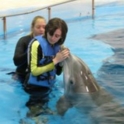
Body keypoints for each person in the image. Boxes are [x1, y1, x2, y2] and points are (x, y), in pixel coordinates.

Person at [24, 17, 70, 117]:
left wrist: (62, 61)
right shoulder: (36, 44)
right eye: (51, 33)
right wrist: (56, 60)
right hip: (35, 86)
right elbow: (34, 71)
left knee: (47, 109)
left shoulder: (58, 46)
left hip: (48, 85)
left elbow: (57, 72)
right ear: (47, 30)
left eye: (57, 36)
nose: (53, 38)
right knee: (34, 115)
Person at [12, 16, 46, 84]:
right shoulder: (24, 41)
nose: (41, 29)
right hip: (22, 76)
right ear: (32, 28)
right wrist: (31, 51)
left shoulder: (48, 42)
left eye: (44, 27)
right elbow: (16, 61)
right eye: (38, 27)